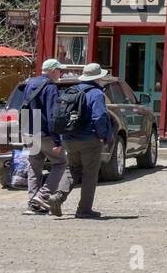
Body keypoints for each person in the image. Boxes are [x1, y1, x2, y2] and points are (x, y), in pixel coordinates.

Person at [48, 63, 112, 220]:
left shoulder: (72, 90)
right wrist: (103, 135)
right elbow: (99, 117)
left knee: (72, 169)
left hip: (69, 138)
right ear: (98, 77)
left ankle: (58, 196)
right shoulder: (96, 93)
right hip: (89, 139)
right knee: (90, 174)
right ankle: (84, 210)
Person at [22, 59, 67, 216]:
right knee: (61, 163)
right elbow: (52, 114)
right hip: (44, 133)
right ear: (52, 70)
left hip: (29, 131)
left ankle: (32, 204)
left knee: (34, 167)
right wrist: (57, 139)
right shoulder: (50, 87)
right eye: (59, 70)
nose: (60, 73)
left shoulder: (29, 84)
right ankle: (42, 196)